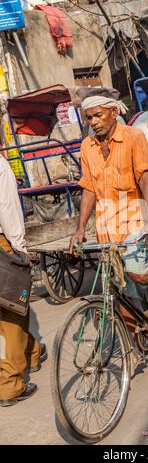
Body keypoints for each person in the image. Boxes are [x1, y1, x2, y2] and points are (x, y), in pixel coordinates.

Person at [70, 95, 148, 323]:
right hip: (106, 227)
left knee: (135, 273)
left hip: (135, 221)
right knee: (118, 288)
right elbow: (89, 188)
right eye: (89, 118)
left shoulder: (133, 137)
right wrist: (80, 228)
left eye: (98, 115)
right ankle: (135, 340)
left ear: (113, 112)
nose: (94, 122)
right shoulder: (87, 147)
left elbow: (146, 181)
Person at [0, 155, 47, 407]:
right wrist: (21, 250)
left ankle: (32, 353)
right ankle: (10, 386)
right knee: (11, 314)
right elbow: (7, 209)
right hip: (3, 246)